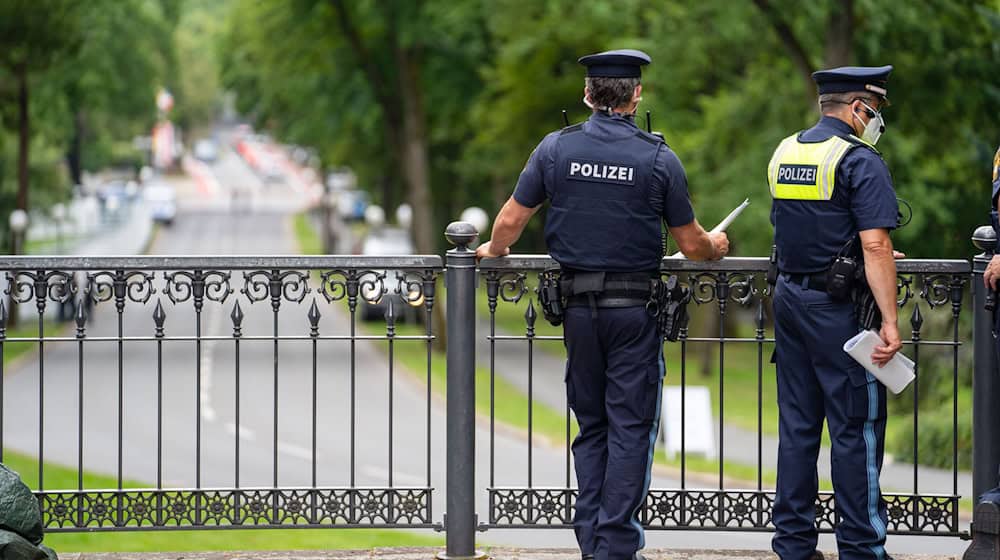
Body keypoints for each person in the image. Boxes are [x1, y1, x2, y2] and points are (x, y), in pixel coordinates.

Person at [476, 49, 728, 560]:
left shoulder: (554, 150)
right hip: (635, 314)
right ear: (637, 96)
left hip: (576, 311)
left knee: (592, 427)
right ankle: (614, 543)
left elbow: (507, 225)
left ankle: (591, 539)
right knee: (631, 428)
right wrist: (717, 246)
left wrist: (490, 252)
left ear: (587, 95)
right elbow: (693, 244)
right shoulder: (659, 158)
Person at [767, 66, 903, 560]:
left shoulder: (786, 151)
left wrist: (860, 251)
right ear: (856, 108)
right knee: (856, 429)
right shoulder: (859, 160)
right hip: (840, 312)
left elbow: (798, 227)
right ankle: (863, 549)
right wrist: (888, 321)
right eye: (876, 111)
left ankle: (794, 545)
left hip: (790, 300)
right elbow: (875, 243)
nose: (877, 121)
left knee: (799, 428)